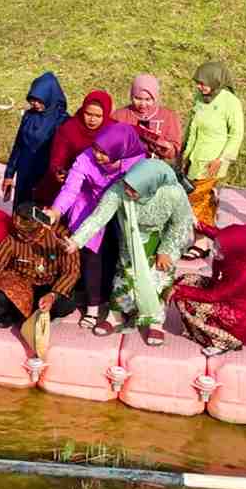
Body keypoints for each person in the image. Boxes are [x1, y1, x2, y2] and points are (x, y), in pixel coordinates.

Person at [67, 160, 195, 346]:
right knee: (125, 279)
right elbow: (98, 218)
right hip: (130, 237)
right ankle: (118, 314)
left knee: (155, 281)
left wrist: (167, 250)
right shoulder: (119, 188)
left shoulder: (173, 193)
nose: (128, 191)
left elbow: (181, 223)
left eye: (133, 190)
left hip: (160, 239)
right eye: (127, 186)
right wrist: (76, 241)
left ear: (151, 186)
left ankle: (155, 322)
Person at [0, 202, 81, 359]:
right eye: (19, 233)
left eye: (26, 235)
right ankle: (18, 314)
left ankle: (32, 314)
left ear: (41, 228)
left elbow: (72, 271)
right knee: (0, 295)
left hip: (51, 286)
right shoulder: (11, 240)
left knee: (66, 304)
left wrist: (53, 295)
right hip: (23, 283)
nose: (21, 237)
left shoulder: (62, 236)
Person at [46, 125, 147, 327]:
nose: (98, 155)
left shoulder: (137, 162)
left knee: (121, 258)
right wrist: (56, 211)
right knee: (92, 256)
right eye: (96, 149)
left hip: (123, 211)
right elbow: (70, 189)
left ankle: (120, 306)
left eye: (104, 152)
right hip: (90, 209)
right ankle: (92, 307)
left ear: (120, 150)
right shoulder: (86, 158)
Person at [171, 223, 246, 356]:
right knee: (185, 280)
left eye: (219, 249)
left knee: (186, 301)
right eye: (215, 245)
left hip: (245, 317)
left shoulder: (244, 273)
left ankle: (225, 341)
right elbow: (221, 236)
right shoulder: (238, 252)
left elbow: (213, 296)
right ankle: (225, 334)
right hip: (236, 300)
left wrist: (178, 290)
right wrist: (201, 226)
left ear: (233, 251)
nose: (213, 250)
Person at [181, 61, 244, 258]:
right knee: (200, 200)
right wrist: (185, 154)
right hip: (194, 159)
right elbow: (193, 128)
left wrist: (222, 158)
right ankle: (206, 239)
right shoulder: (201, 98)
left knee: (196, 201)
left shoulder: (230, 102)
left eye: (203, 83)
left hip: (212, 162)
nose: (199, 87)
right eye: (198, 83)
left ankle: (201, 243)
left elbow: (236, 134)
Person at [34, 89, 114, 205]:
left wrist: (148, 136)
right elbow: (57, 157)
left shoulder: (111, 128)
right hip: (67, 182)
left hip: (97, 186)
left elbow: (131, 133)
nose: (92, 120)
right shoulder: (69, 128)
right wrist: (57, 170)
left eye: (98, 116)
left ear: (105, 114)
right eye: (88, 114)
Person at [2, 72, 68, 207]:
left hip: (45, 174)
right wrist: (9, 174)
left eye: (39, 100)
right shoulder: (29, 116)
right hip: (25, 171)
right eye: (32, 100)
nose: (35, 104)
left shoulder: (62, 120)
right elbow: (18, 145)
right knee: (21, 211)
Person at [111, 74, 183, 162]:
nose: (142, 104)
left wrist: (166, 148)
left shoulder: (168, 117)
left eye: (148, 99)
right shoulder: (119, 116)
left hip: (155, 168)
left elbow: (174, 150)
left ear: (155, 98)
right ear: (131, 96)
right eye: (137, 98)